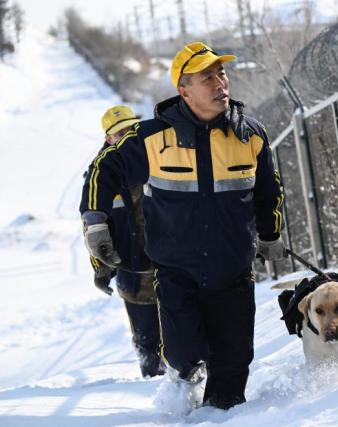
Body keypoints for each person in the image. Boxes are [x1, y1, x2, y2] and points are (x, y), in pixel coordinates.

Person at [80, 42, 286, 410]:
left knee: (233, 361)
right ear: (183, 90)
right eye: (207, 77)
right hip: (177, 271)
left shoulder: (250, 135)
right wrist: (95, 222)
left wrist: (271, 234)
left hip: (233, 270)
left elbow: (269, 191)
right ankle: (183, 381)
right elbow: (103, 169)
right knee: (183, 351)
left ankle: (221, 415)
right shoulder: (150, 137)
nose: (220, 82)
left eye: (221, 73)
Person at [88, 105, 165, 378]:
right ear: (108, 139)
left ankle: (187, 383)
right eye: (119, 133)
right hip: (133, 273)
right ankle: (154, 385)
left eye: (132, 130)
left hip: (171, 265)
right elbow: (95, 230)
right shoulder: (101, 177)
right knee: (147, 339)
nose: (127, 136)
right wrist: (101, 267)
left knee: (181, 330)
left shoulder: (160, 161)